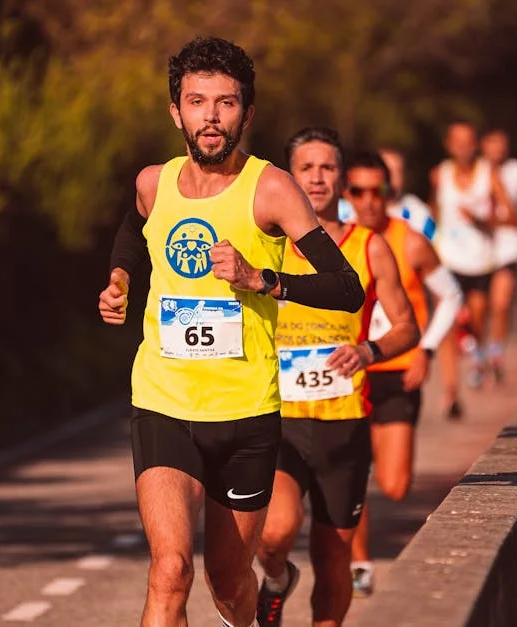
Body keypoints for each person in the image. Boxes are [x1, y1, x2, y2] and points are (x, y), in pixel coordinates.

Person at [98, 37, 365, 627]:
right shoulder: (153, 183)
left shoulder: (272, 190)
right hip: (164, 400)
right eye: (198, 102)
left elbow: (347, 289)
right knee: (170, 571)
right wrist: (119, 277)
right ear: (177, 112)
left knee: (227, 581)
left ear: (247, 112)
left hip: (245, 411)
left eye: (226, 103)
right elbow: (133, 229)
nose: (212, 117)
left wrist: (262, 279)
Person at [255, 128, 419, 627]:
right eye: (306, 168)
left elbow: (408, 326)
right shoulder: (265, 245)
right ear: (288, 177)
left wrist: (369, 351)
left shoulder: (369, 247)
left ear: (342, 179)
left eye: (327, 167)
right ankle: (277, 578)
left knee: (333, 559)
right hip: (277, 420)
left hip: (343, 422)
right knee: (275, 532)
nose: (317, 178)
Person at [342, 151, 464, 597]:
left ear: (388, 193)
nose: (368, 201)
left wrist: (426, 349)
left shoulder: (410, 241)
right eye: (358, 191)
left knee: (394, 485)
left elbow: (451, 296)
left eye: (377, 191)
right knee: (353, 471)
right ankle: (359, 562)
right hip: (350, 370)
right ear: (346, 193)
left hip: (398, 371)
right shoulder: (332, 240)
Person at [430, 122, 514, 409]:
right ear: (448, 144)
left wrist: (482, 221)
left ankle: (475, 349)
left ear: (475, 144)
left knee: (477, 318)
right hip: (447, 259)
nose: (463, 147)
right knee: (447, 323)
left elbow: (511, 215)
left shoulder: (488, 174)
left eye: (468, 141)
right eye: (457, 141)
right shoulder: (439, 175)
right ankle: (451, 391)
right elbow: (434, 212)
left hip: (479, 261)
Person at [480, 129, 517, 383]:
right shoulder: (473, 172)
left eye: (502, 144)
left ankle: (497, 351)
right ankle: (477, 352)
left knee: (501, 302)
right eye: (493, 144)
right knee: (478, 307)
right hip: (477, 248)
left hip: (508, 247)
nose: (497, 150)